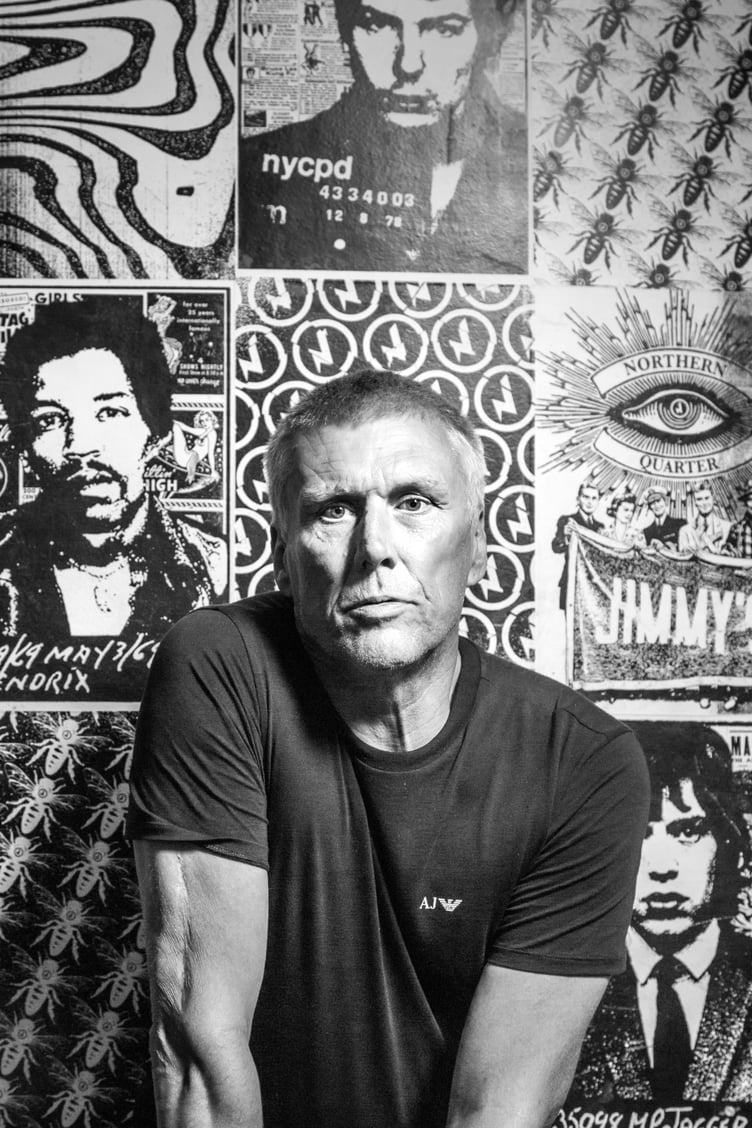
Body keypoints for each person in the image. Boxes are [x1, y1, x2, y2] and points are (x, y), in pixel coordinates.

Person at [128, 370, 649, 1128]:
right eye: (333, 510)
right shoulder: (221, 664)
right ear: (281, 554)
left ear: (478, 543)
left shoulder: (583, 760)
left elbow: (498, 1108)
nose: (375, 548)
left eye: (415, 502)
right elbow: (198, 1054)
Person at [238, 0, 528, 272]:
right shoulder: (258, 170)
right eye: (378, 25)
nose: (408, 65)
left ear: (490, 40)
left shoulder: (526, 161)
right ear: (345, 34)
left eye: (444, 29)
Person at [0, 297, 227, 641]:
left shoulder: (214, 563)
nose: (79, 446)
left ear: (156, 432)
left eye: (110, 413)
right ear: (23, 445)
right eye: (49, 420)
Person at [570, 721, 752, 1104]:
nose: (661, 867)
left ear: (729, 843)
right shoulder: (563, 985)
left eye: (687, 832)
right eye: (637, 831)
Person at [551, 480, 603, 610]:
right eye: (586, 497)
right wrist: (564, 536)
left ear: (598, 501)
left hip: (593, 586)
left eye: (594, 498)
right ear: (578, 499)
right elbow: (556, 547)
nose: (590, 502)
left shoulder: (600, 527)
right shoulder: (567, 521)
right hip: (572, 582)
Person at [678, 480, 731, 554]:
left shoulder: (726, 527)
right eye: (699, 499)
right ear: (695, 502)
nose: (704, 503)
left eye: (707, 498)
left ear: (713, 499)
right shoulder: (685, 531)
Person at [723, 479, 752, 559]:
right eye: (751, 500)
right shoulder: (736, 529)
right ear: (746, 503)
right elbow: (728, 551)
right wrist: (730, 553)